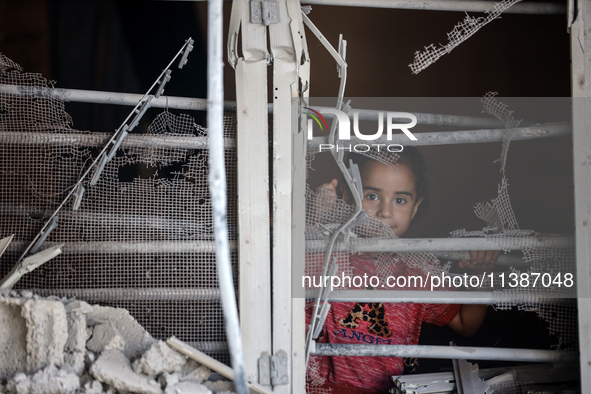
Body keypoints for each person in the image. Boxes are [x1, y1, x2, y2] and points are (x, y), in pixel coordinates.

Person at [305, 148, 499, 393]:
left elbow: (466, 324)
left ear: (415, 208)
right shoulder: (326, 252)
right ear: (346, 196)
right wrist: (312, 219)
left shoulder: (419, 271)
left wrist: (481, 273)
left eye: (400, 200)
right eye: (372, 196)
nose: (385, 212)